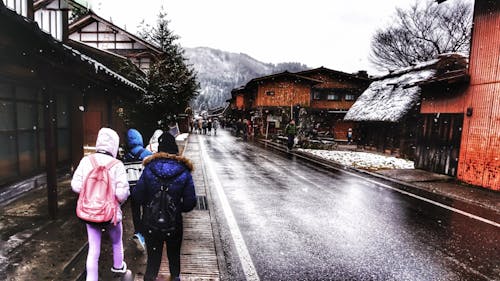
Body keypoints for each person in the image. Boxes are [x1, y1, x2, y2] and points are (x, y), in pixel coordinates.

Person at [132, 132, 197, 281]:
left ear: (159, 150)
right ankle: (175, 277)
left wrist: (150, 203)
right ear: (175, 149)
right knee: (174, 259)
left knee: (153, 263)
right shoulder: (184, 170)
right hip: (174, 225)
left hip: (151, 224)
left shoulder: (149, 168)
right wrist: (176, 208)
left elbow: (137, 196)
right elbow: (190, 202)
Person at [71, 128, 130, 281]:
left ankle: (92, 278)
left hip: (90, 212)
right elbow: (121, 194)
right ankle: (118, 269)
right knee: (117, 242)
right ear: (115, 146)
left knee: (93, 248)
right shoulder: (117, 165)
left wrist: (91, 195)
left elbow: (76, 186)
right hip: (111, 214)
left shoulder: (86, 161)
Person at [123, 128, 153, 250]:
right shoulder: (147, 154)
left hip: (133, 190)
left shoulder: (126, 157)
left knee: (135, 212)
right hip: (146, 189)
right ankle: (145, 233)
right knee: (146, 211)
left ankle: (138, 233)